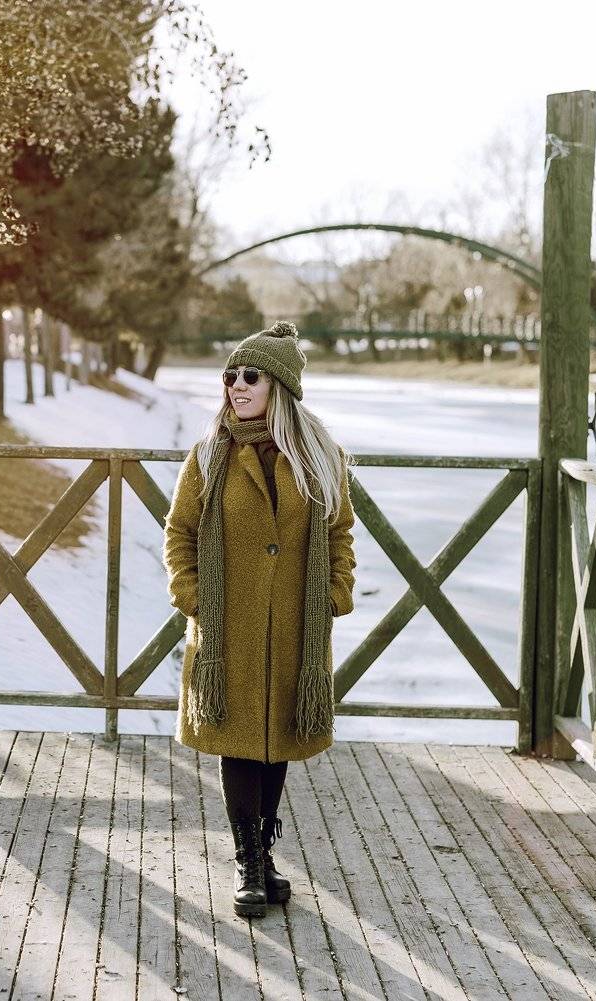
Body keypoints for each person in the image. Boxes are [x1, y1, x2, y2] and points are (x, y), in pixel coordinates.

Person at [162, 320, 357, 919]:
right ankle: (250, 863)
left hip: (296, 628)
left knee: (276, 745)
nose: (235, 386)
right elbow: (180, 535)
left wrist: (335, 591)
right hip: (229, 631)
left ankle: (265, 855)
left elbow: (340, 532)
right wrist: (196, 599)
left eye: (249, 376)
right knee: (240, 745)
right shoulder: (209, 455)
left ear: (280, 387)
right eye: (230, 377)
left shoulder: (319, 457)